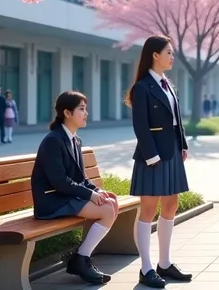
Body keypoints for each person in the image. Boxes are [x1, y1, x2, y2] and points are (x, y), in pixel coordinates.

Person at [30, 91, 119, 285]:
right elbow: (59, 181)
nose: (86, 113)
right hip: (51, 200)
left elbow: (81, 177)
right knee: (106, 210)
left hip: (64, 196)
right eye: (81, 109)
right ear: (67, 113)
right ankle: (81, 259)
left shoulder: (75, 140)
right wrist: (89, 195)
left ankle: (82, 258)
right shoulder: (53, 141)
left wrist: (96, 191)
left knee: (111, 201)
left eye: (85, 108)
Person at [127, 35, 192, 288]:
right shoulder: (142, 87)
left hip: (172, 152)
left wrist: (183, 145)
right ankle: (146, 267)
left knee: (172, 204)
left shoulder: (168, 84)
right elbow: (140, 126)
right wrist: (151, 155)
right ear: (155, 54)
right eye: (169, 52)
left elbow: (177, 120)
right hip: (152, 155)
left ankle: (164, 263)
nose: (172, 56)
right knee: (148, 209)